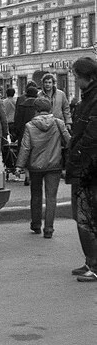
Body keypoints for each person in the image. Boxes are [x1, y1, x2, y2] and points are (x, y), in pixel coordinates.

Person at [15, 97, 71, 239]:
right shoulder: (58, 123)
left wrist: (19, 165)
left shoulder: (30, 126)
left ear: (36, 110)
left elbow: (26, 147)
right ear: (50, 109)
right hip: (54, 165)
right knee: (51, 198)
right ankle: (49, 229)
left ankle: (36, 225)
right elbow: (69, 141)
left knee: (36, 195)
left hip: (35, 166)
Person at [65, 57, 97, 282]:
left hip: (89, 167)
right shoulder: (88, 97)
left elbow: (91, 135)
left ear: (89, 77)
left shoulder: (94, 99)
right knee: (82, 216)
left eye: (77, 75)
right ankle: (90, 261)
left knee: (86, 217)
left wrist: (76, 155)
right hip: (84, 165)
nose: (75, 79)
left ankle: (94, 266)